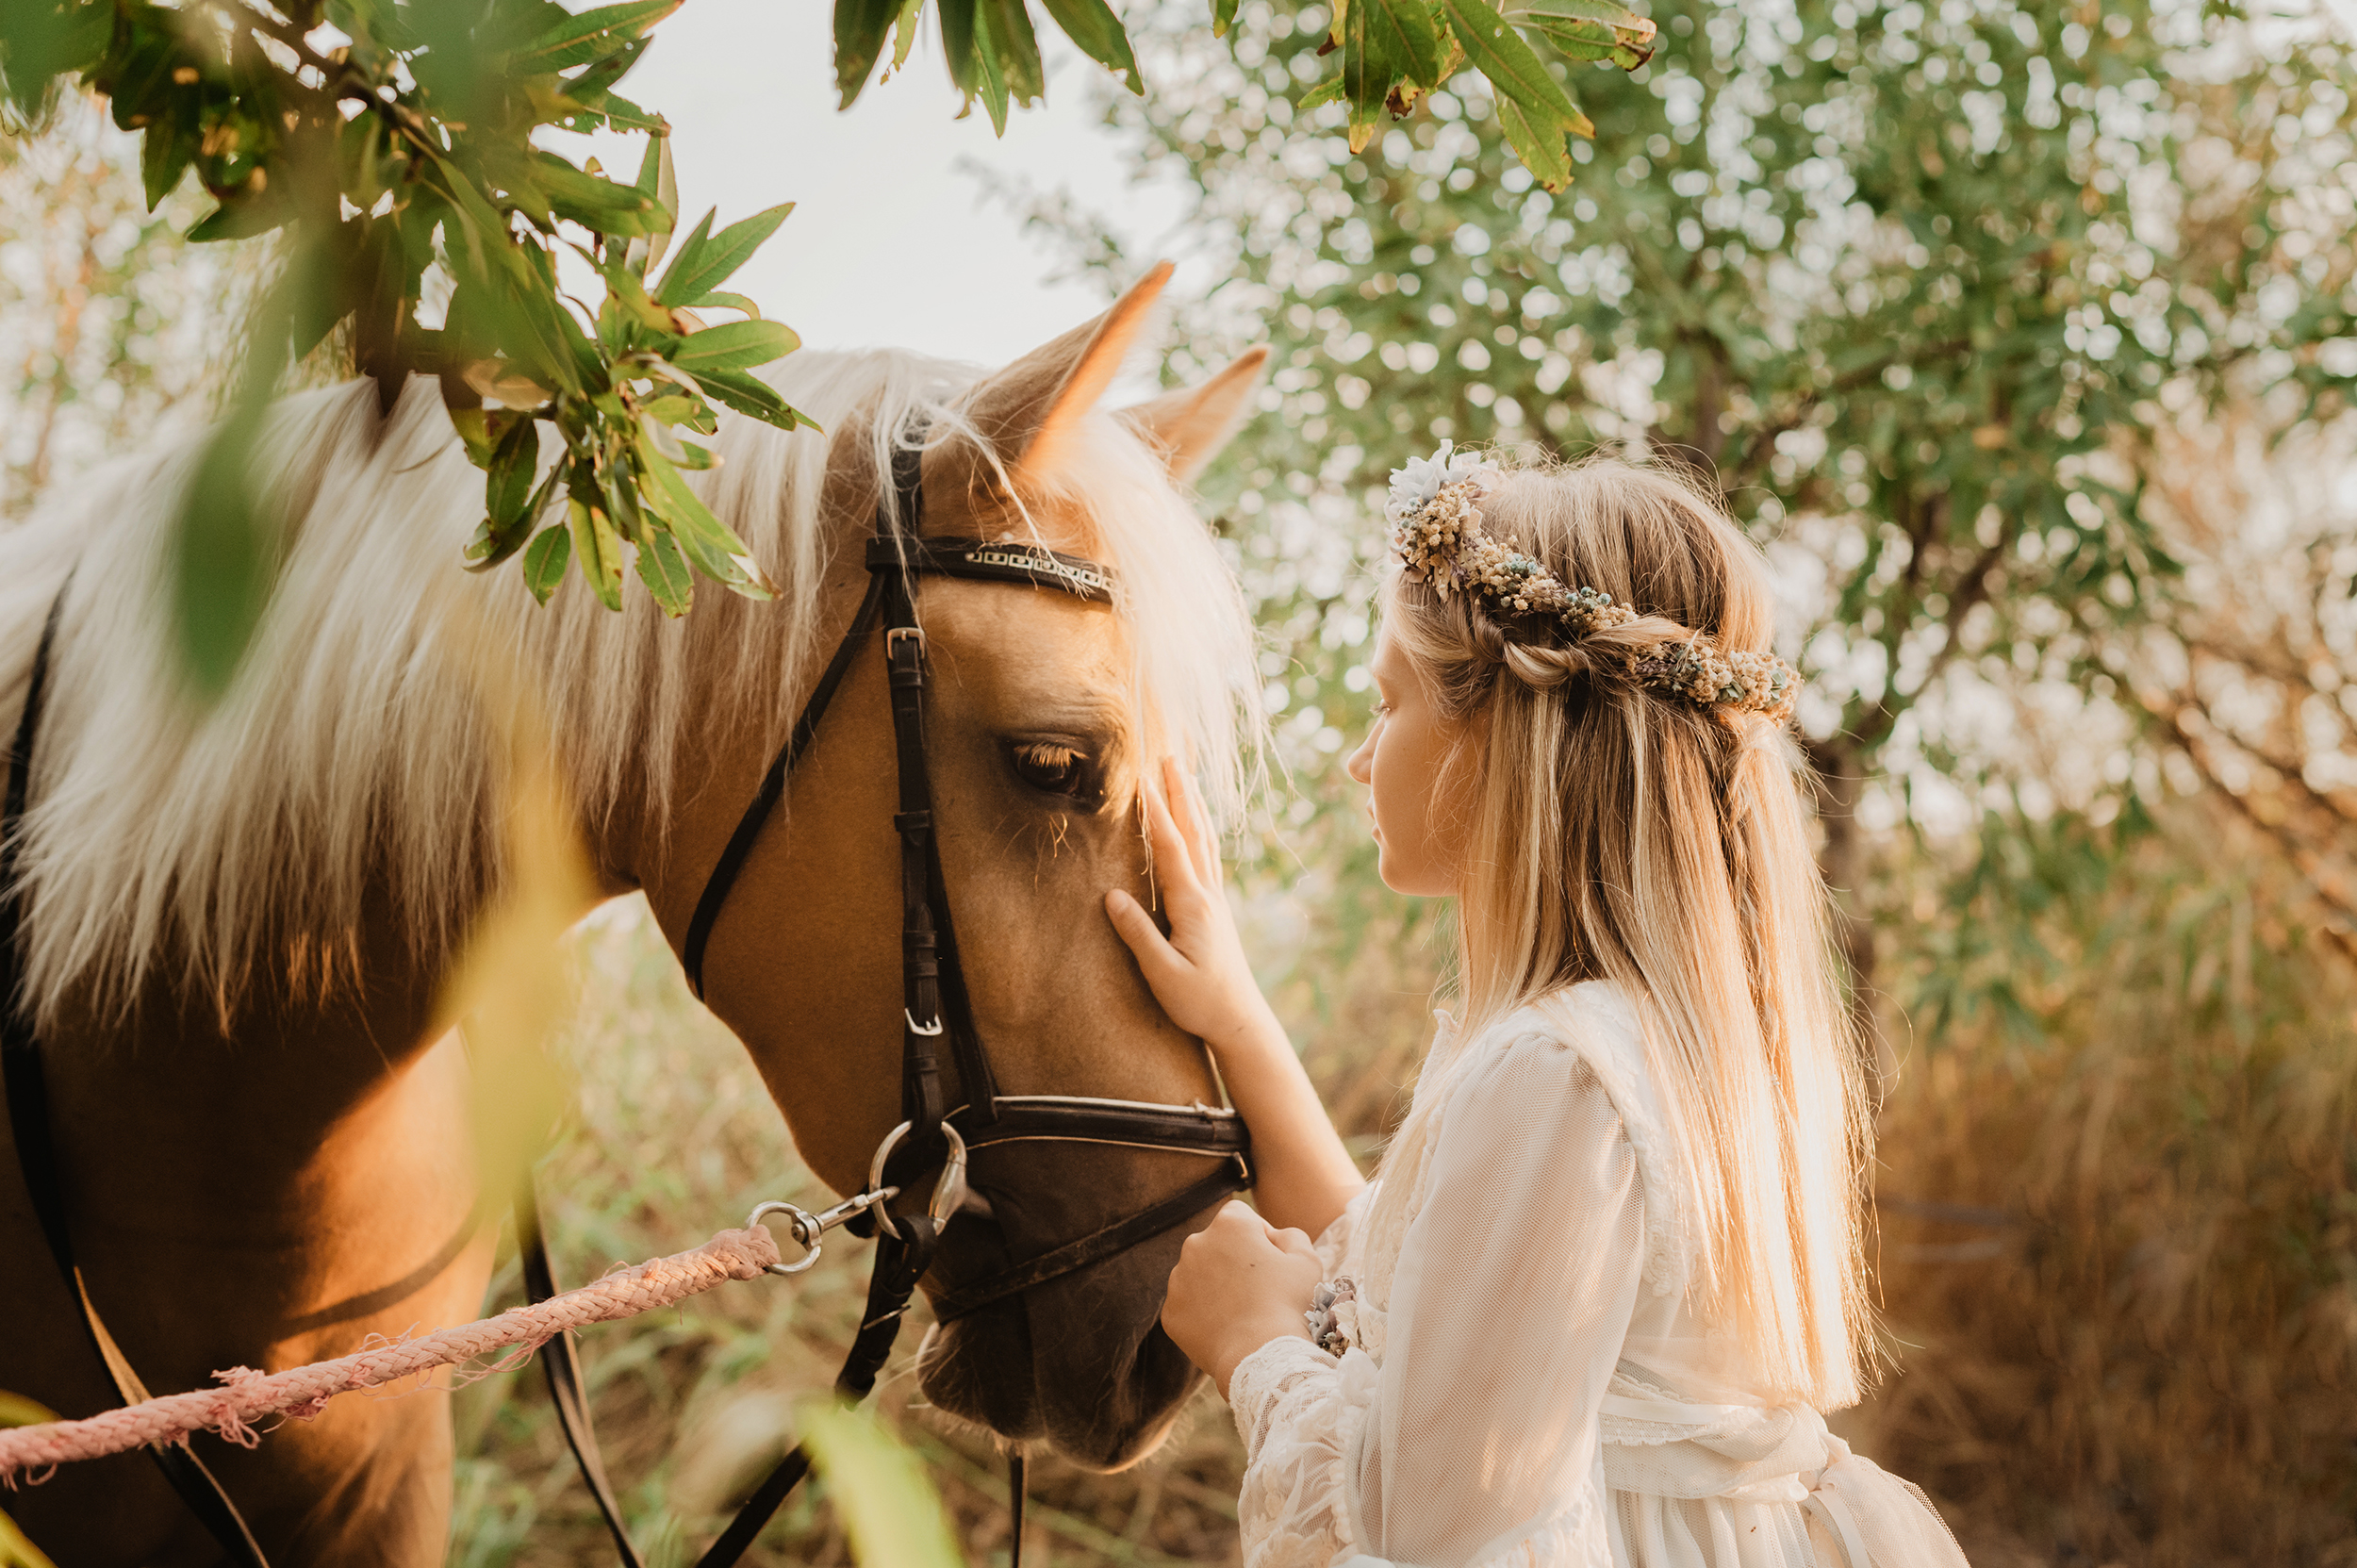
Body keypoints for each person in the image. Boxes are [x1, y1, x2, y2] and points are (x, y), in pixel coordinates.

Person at [1102, 447, 1971, 1568]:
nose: (1359, 760)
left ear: (1499, 740)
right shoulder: (1649, 1041)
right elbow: (1414, 1294)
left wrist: (1255, 1343)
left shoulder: (1557, 1071)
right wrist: (1235, 1017)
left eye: (1389, 702)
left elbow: (1426, 1540)